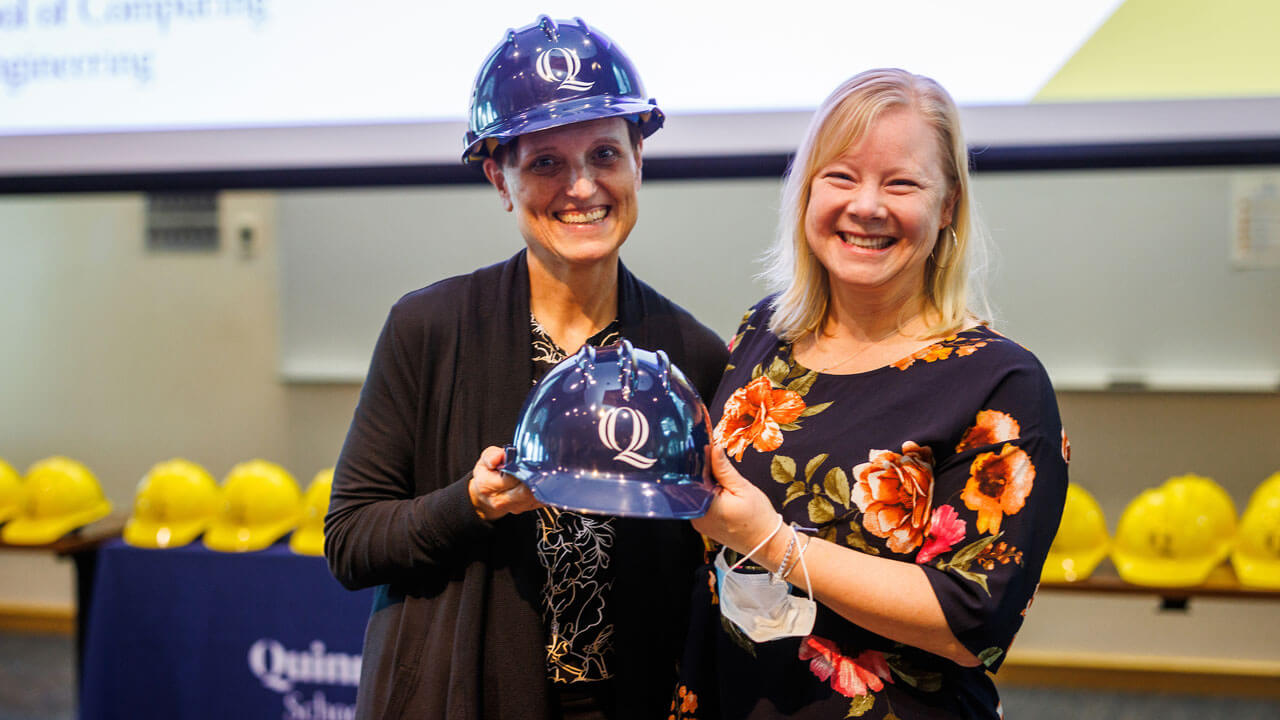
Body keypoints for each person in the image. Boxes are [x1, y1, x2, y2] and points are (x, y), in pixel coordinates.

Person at [324, 16, 728, 720]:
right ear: (499, 178)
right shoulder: (429, 328)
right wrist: (469, 505)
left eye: (605, 154)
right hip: (459, 697)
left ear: (640, 159)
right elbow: (352, 542)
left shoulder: (689, 353)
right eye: (545, 162)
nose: (581, 187)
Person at [673, 69, 1069, 719]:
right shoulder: (764, 333)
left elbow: (975, 622)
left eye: (901, 182)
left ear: (947, 208)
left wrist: (773, 542)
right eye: (842, 176)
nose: (866, 205)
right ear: (806, 193)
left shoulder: (1001, 384)